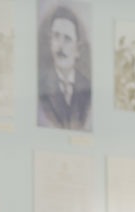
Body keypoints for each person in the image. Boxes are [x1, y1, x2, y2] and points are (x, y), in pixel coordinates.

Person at [37, 3, 92, 131]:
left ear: (77, 50)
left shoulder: (88, 88)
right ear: (50, 43)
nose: (60, 46)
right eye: (56, 36)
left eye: (67, 39)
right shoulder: (40, 85)